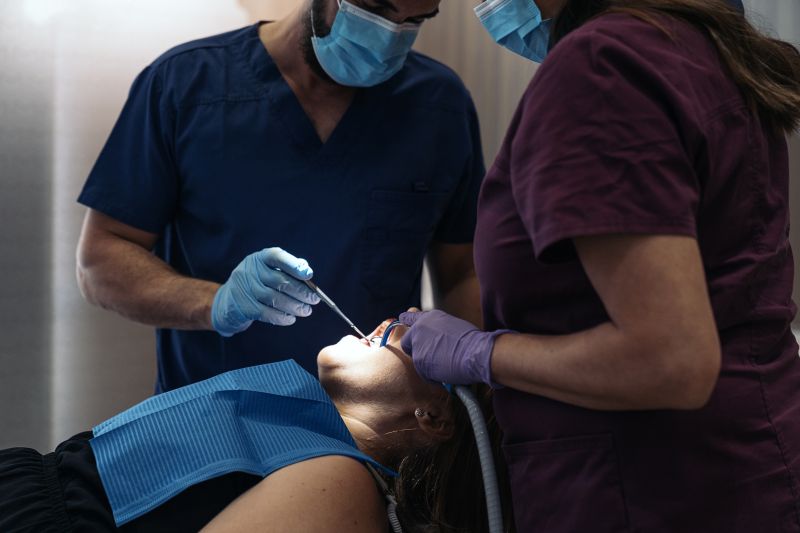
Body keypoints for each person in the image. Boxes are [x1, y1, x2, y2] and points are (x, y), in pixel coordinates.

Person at [399, 0, 800, 531]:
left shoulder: (601, 69)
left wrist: (480, 354)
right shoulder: (686, 45)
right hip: (736, 468)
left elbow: (670, 361)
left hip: (653, 491)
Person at [75, 0, 485, 393]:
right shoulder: (184, 85)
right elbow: (101, 261)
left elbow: (465, 273)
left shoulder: (437, 105)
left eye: (415, 20)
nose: (388, 39)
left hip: (370, 443)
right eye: (374, 9)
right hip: (213, 429)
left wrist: (459, 386)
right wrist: (216, 303)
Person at [0, 321, 513, 533]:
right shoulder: (308, 432)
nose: (396, 321)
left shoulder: (345, 487)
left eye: (418, 334)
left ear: (434, 417)